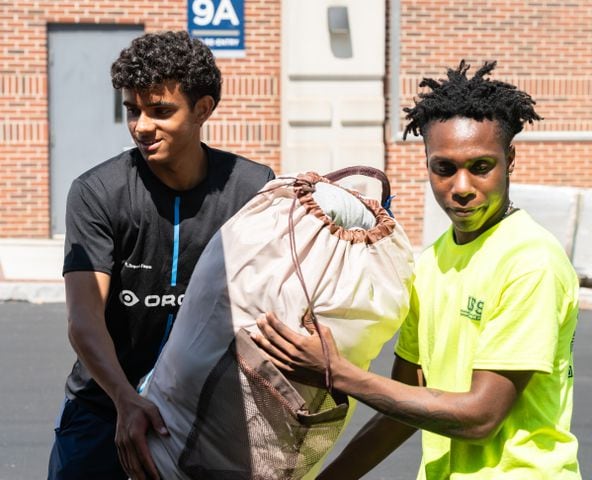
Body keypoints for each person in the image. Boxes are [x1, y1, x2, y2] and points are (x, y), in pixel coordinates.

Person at [253, 60, 581, 479]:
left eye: (481, 166)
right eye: (444, 168)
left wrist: (338, 373)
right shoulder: (428, 265)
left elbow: (481, 417)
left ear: (509, 159)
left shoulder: (530, 261)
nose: (461, 187)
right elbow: (405, 408)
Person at [48, 31, 275, 480]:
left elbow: (269, 303)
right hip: (105, 404)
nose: (141, 126)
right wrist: (124, 398)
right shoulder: (97, 192)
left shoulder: (252, 187)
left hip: (206, 414)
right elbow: (84, 319)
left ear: (203, 109)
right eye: (133, 110)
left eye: (161, 111)